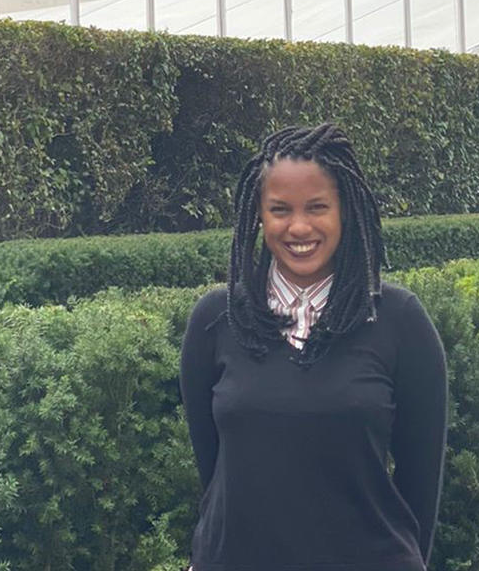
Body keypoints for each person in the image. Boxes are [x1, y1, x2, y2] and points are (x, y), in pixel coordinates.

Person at [179, 122, 449, 571]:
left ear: (345, 210)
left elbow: (422, 485)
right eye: (280, 209)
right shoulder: (215, 320)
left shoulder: (398, 320)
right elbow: (216, 475)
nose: (299, 227)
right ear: (258, 215)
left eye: (318, 207)